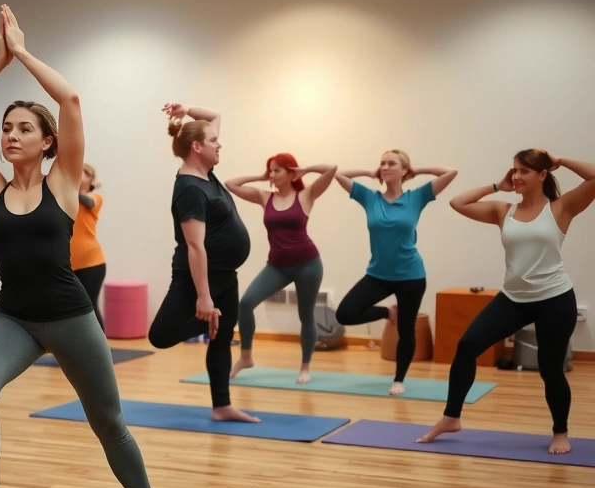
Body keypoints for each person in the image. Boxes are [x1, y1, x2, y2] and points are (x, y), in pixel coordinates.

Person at [0, 4, 192, 488]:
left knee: (109, 423)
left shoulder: (64, 183)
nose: (10, 135)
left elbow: (71, 100)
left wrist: (23, 53)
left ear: (47, 141)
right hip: (16, 318)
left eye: (23, 128)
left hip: (72, 317)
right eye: (6, 128)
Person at [418, 150, 593, 454]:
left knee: (550, 369)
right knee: (467, 345)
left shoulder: (562, 208)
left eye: (525, 171)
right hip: (514, 297)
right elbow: (457, 202)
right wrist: (498, 186)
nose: (517, 176)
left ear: (543, 175)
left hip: (555, 298)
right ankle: (451, 417)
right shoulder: (504, 211)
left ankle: (560, 432)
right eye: (514, 170)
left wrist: (561, 160)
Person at [147, 102, 257, 423]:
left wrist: (186, 108)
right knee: (161, 336)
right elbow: (195, 246)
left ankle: (221, 406)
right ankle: (206, 313)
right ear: (197, 147)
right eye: (213, 141)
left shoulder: (206, 173)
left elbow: (214, 115)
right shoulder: (190, 189)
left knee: (222, 338)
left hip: (225, 275)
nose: (219, 143)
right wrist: (204, 297)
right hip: (197, 280)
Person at [334, 151, 458, 395]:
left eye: (391, 163)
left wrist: (417, 171)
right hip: (377, 274)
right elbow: (339, 175)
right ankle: (387, 312)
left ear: (404, 170)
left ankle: (398, 379)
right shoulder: (370, 198)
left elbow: (451, 172)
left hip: (411, 276)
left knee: (406, 330)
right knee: (345, 313)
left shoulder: (417, 197)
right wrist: (369, 173)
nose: (385, 166)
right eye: (382, 163)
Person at [225, 154, 337, 383]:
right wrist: (260, 176)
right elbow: (230, 184)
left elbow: (331, 169)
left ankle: (305, 367)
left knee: (305, 315)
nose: (272, 175)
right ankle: (246, 356)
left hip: (308, 264)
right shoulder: (264, 197)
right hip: (277, 266)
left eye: (277, 170)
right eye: (270, 171)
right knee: (245, 303)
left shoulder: (306, 195)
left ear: (290, 173)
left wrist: (304, 169)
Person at [70, 163, 107, 330]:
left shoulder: (94, 197)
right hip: (69, 264)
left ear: (91, 178)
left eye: (82, 173)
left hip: (92, 263)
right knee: (71, 308)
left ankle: (101, 350)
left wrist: (69, 188)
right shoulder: (68, 199)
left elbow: (88, 202)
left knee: (90, 306)